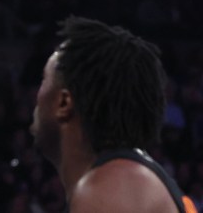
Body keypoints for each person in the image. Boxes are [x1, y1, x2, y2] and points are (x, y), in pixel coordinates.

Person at [31, 17, 197, 213]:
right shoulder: (125, 180)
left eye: (43, 79)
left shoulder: (112, 189)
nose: (36, 95)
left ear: (64, 103)